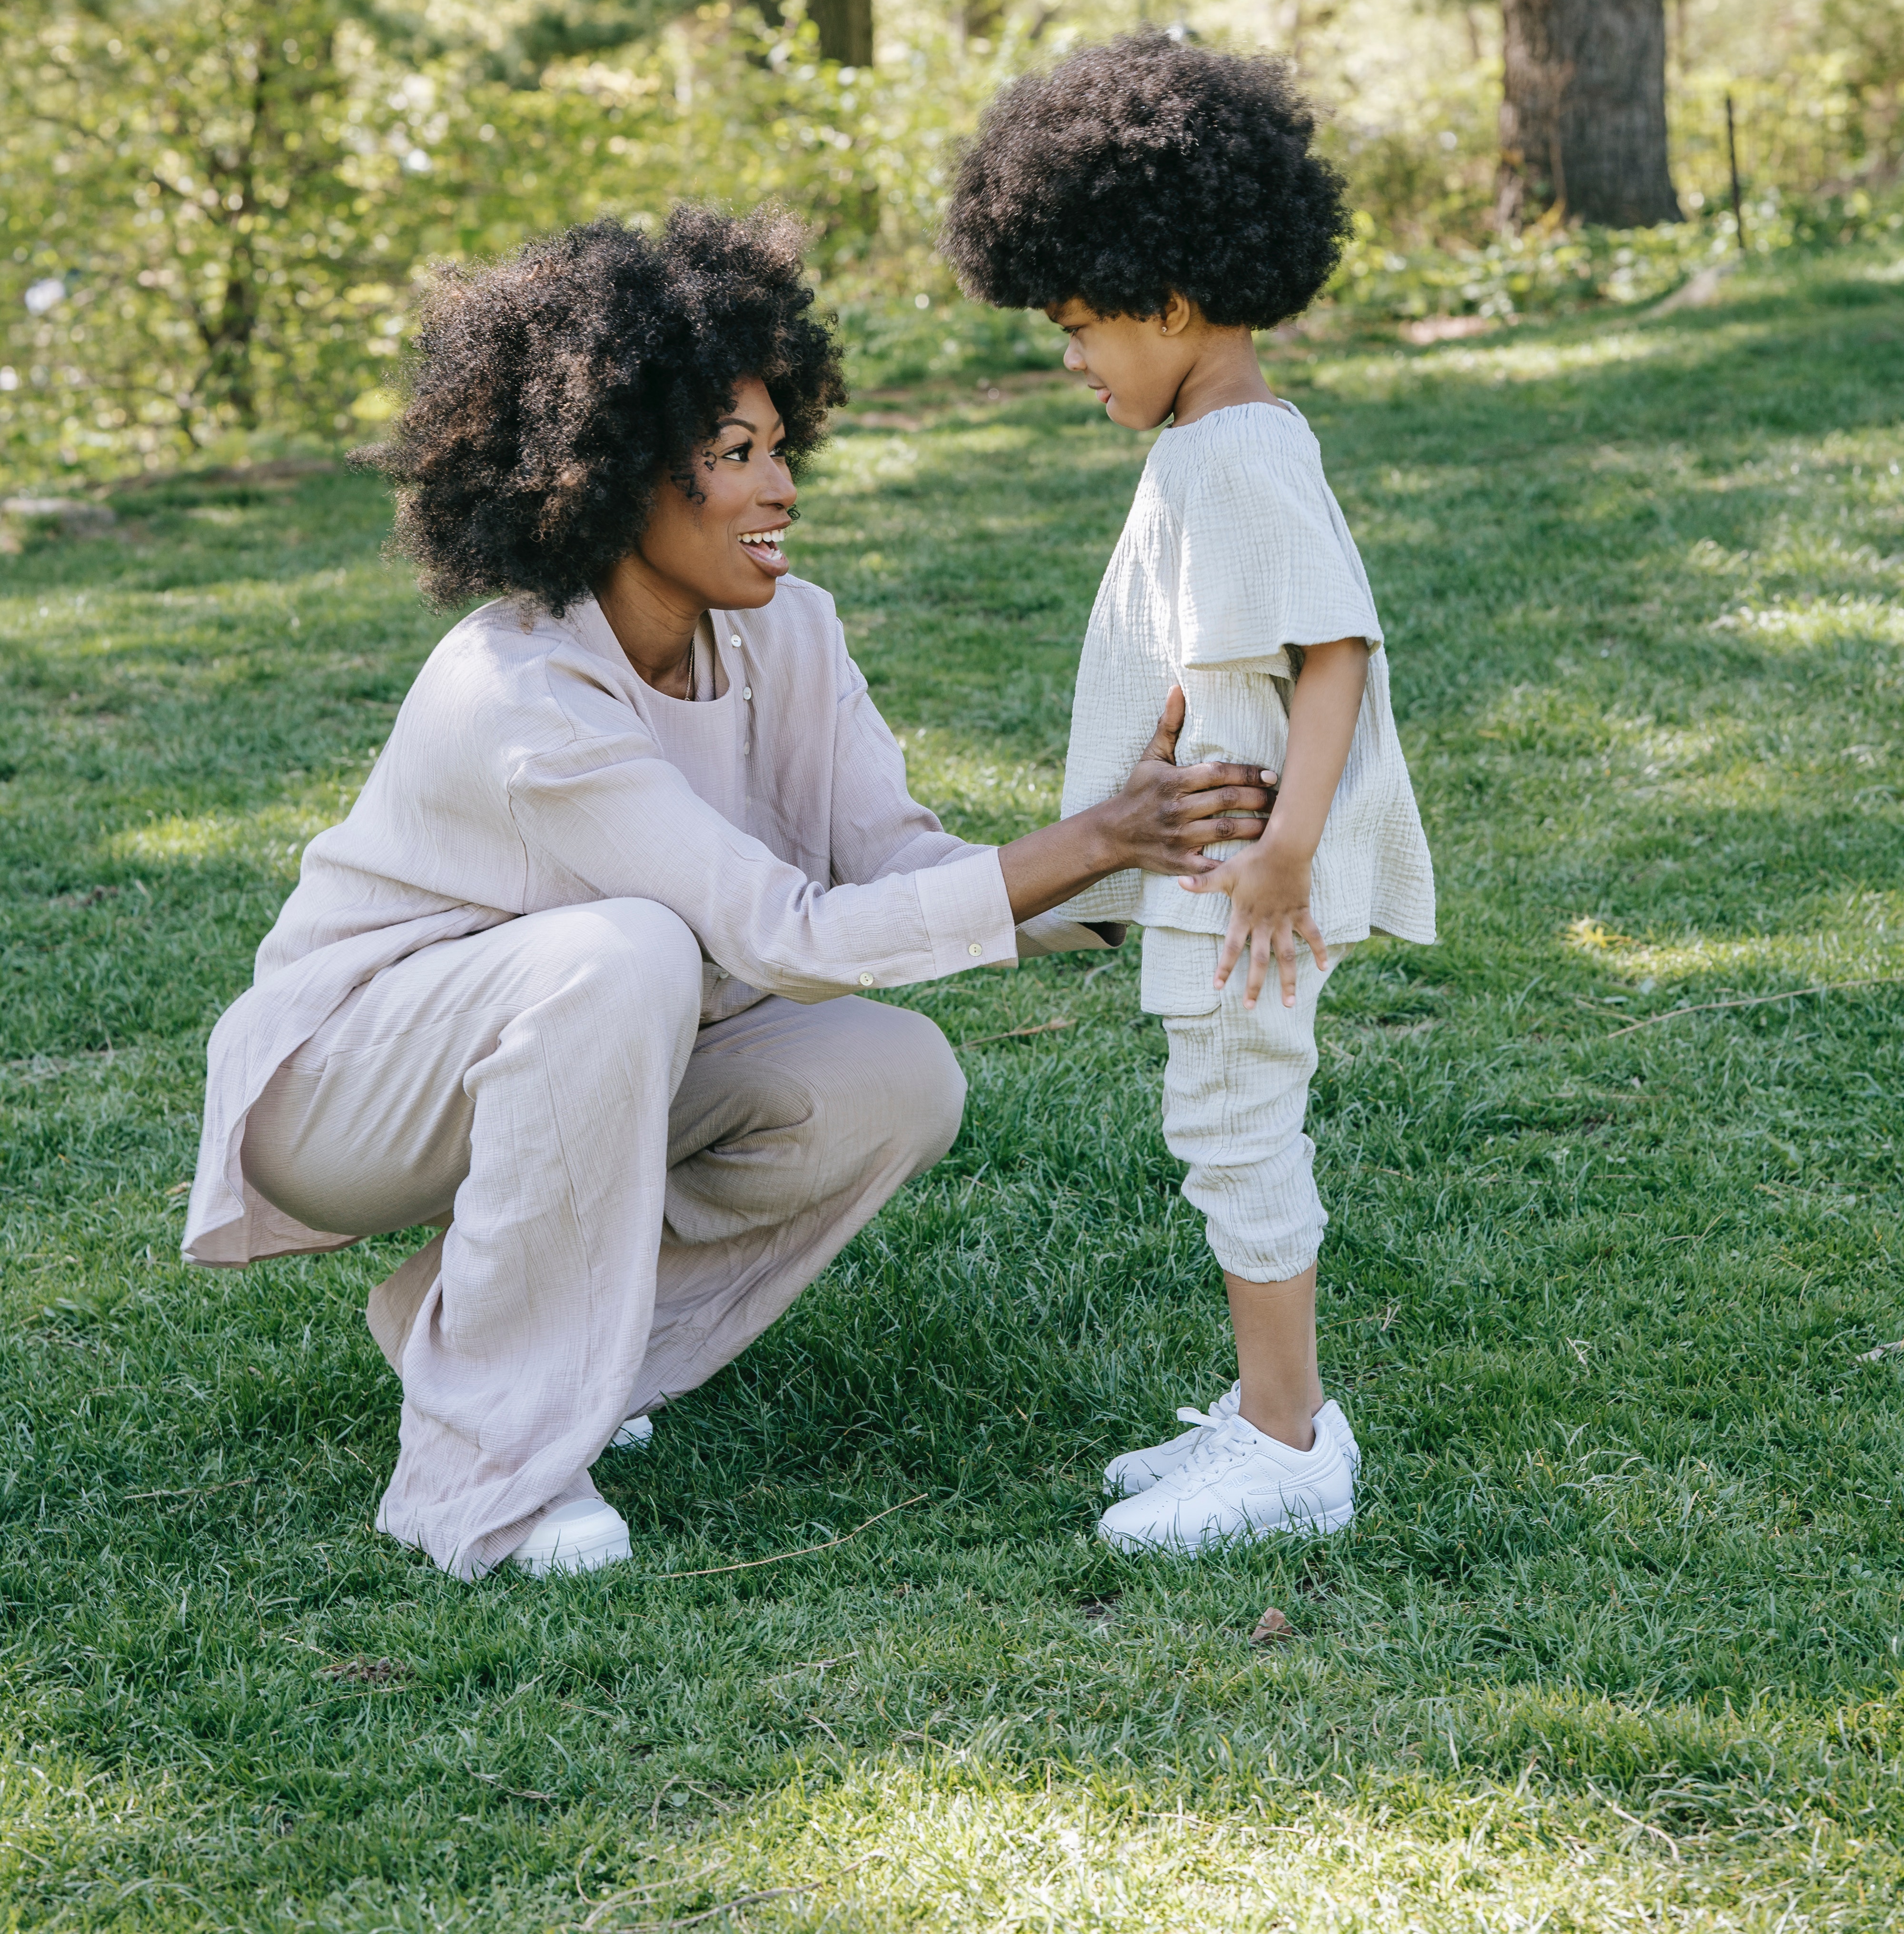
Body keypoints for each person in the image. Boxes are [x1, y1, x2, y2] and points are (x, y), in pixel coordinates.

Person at [182, 206, 1273, 1580]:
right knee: (628, 951)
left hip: (588, 1043)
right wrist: (1095, 835)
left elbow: (901, 868)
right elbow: (783, 932)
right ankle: (488, 1477)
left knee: (893, 1074)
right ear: (616, 478)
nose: (782, 492)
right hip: (347, 1092)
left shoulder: (792, 635)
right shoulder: (520, 688)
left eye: (780, 450)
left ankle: (486, 1347)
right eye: (735, 459)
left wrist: (1127, 863)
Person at [941, 35, 1436, 1552]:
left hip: (1249, 882)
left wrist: (1285, 857)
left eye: (1086, 328)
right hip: (1218, 858)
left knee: (1236, 1122)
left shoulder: (1236, 453)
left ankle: (1289, 1447)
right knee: (1219, 1115)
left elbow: (1337, 650)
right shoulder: (1204, 449)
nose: (1073, 362)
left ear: (1173, 300)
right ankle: (1265, 1412)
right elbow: (1209, 649)